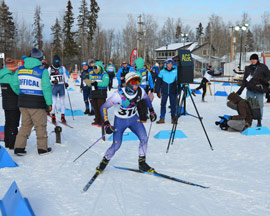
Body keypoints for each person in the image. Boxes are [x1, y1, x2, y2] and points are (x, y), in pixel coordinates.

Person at [95, 72, 157, 173]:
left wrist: (152, 111)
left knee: (144, 138)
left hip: (133, 119)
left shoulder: (140, 91)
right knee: (116, 145)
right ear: (128, 83)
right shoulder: (118, 95)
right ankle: (104, 162)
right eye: (133, 82)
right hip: (120, 121)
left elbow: (147, 100)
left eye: (138, 82)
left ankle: (142, 163)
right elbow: (103, 107)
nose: (136, 84)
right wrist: (107, 123)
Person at [13, 48, 52, 155]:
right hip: (37, 103)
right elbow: (46, 88)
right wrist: (49, 103)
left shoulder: (20, 69)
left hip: (23, 102)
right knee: (40, 126)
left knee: (25, 125)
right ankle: (42, 149)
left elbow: (15, 85)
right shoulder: (42, 70)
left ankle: (19, 148)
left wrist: (22, 93)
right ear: (40, 58)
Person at [236, 53, 270, 126]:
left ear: (257, 59)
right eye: (251, 59)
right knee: (251, 105)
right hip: (250, 90)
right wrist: (240, 90)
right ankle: (249, 120)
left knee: (259, 105)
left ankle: (259, 121)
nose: (253, 61)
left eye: (254, 59)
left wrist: (262, 80)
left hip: (259, 90)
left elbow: (268, 76)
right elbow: (245, 80)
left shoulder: (263, 67)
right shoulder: (248, 68)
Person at [0, 58, 22, 149]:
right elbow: (17, 89)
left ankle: (7, 141)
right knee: (14, 124)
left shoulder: (3, 75)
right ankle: (13, 144)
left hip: (6, 103)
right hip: (14, 103)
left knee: (8, 122)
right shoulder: (12, 77)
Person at [85, 61, 109, 126]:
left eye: (96, 69)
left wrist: (97, 84)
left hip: (101, 93)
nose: (95, 70)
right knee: (95, 107)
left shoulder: (104, 74)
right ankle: (97, 119)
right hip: (94, 92)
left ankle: (102, 120)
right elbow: (90, 82)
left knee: (101, 107)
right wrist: (89, 84)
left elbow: (105, 83)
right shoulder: (92, 74)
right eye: (94, 69)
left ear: (100, 68)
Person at [155, 58, 178, 124]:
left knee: (173, 105)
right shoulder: (162, 71)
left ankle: (173, 118)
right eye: (169, 63)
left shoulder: (175, 71)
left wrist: (179, 89)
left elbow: (179, 82)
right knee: (163, 105)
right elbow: (158, 82)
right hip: (164, 91)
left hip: (173, 91)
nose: (170, 65)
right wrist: (158, 91)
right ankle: (162, 118)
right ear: (166, 64)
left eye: (171, 63)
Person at [48, 55, 69, 123]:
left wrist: (66, 82)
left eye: (58, 61)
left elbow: (65, 76)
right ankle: (53, 116)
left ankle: (63, 116)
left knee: (62, 102)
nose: (57, 63)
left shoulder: (62, 68)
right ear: (53, 61)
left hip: (61, 86)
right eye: (55, 61)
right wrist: (52, 81)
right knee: (54, 102)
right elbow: (47, 78)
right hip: (54, 87)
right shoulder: (50, 68)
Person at [135, 58, 154, 122]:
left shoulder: (136, 72)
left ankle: (142, 117)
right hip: (145, 88)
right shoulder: (147, 72)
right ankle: (144, 115)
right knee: (144, 103)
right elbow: (151, 81)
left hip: (138, 89)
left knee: (139, 103)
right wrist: (152, 88)